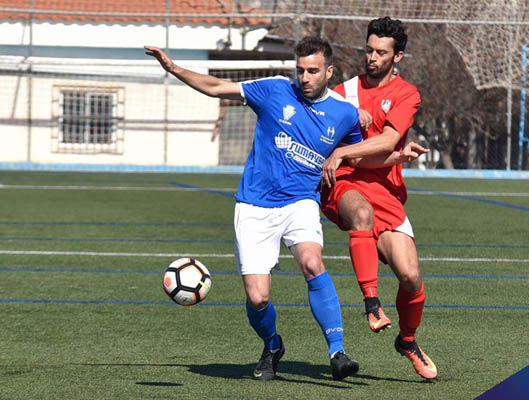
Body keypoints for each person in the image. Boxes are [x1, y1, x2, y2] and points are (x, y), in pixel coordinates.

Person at [145, 37, 405, 381]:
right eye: (300, 70)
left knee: (312, 263)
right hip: (254, 205)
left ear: (329, 71)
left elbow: (359, 158)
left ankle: (338, 352)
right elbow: (217, 88)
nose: (305, 77)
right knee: (257, 298)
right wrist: (174, 68)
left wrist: (398, 155)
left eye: (313, 71)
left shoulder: (344, 113)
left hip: (301, 203)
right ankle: (272, 343)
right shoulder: (273, 90)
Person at [320, 17, 438, 380]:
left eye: (381, 52)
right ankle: (372, 304)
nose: (372, 57)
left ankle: (406, 340)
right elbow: (331, 145)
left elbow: (387, 142)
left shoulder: (407, 94)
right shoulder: (342, 92)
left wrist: (360, 153)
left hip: (386, 190)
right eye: (369, 50)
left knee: (411, 277)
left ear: (397, 56)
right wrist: (341, 151)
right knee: (361, 213)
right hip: (346, 183)